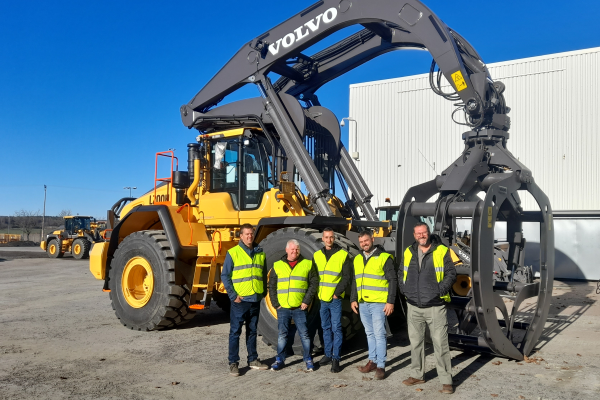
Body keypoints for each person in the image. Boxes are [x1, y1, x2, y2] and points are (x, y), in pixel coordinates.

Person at [399, 222, 457, 394]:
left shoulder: (441, 250)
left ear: (428, 233)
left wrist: (439, 291)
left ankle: (446, 380)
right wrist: (406, 291)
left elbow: (451, 273)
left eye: (424, 233)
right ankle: (417, 374)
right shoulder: (408, 252)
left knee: (440, 343)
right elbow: (401, 272)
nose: (421, 236)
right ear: (414, 235)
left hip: (435, 306)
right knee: (416, 342)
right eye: (418, 233)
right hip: (413, 305)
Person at [220, 223, 269, 376]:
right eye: (246, 234)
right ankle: (233, 363)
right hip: (240, 301)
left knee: (253, 331)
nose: (249, 236)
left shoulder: (260, 253)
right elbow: (225, 275)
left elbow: (263, 274)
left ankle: (253, 359)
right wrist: (233, 296)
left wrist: (262, 292)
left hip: (255, 298)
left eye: (251, 234)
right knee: (235, 332)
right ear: (241, 236)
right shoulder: (233, 253)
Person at [350, 230, 397, 380]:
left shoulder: (383, 258)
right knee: (369, 334)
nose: (364, 244)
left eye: (366, 240)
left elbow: (392, 280)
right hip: (363, 303)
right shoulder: (357, 259)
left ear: (372, 239)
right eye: (361, 242)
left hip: (378, 303)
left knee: (379, 334)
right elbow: (355, 281)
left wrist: (390, 301)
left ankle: (381, 366)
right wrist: (353, 299)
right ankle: (372, 361)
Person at [269, 239, 319, 371]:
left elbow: (314, 283)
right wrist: (275, 303)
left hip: (299, 308)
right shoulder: (278, 265)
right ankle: (279, 359)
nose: (294, 251)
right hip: (283, 308)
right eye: (292, 249)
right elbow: (272, 285)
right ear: (286, 250)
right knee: (282, 334)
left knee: (305, 334)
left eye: (296, 249)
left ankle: (308, 359)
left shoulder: (307, 264)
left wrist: (306, 301)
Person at [313, 227, 353, 373]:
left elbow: (347, 277)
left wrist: (337, 293)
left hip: (335, 299)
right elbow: (314, 276)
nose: (329, 239)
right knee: (326, 328)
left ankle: (336, 358)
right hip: (322, 299)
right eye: (326, 237)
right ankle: (328, 354)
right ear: (322, 239)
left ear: (334, 238)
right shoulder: (317, 255)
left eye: (331, 237)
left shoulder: (342, 255)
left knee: (336, 328)